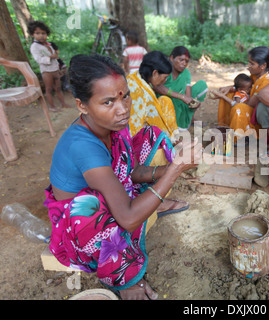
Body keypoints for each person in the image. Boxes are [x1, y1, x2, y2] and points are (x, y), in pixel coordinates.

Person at [44, 54, 202, 300]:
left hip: (114, 193)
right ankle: (124, 279)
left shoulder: (114, 124)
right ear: (82, 106)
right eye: (107, 102)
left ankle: (154, 204)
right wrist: (175, 170)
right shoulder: (83, 145)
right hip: (81, 226)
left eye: (125, 96)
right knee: (90, 207)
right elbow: (127, 219)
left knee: (151, 136)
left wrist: (173, 169)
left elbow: (132, 171)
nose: (123, 109)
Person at [215, 46, 269, 140]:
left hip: (260, 117)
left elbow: (250, 104)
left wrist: (234, 100)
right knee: (230, 94)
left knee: (239, 107)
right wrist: (230, 88)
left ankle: (240, 136)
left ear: (263, 66)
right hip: (253, 108)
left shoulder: (268, 80)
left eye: (251, 63)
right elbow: (246, 86)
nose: (248, 65)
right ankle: (226, 126)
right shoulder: (256, 75)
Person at [127, 51, 179, 140]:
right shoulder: (145, 95)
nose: (165, 80)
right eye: (164, 77)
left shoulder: (134, 76)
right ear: (155, 73)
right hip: (135, 141)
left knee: (165, 100)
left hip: (127, 129)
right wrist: (172, 141)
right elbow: (157, 124)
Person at [154, 46, 208, 130]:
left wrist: (193, 103)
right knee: (170, 99)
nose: (184, 63)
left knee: (202, 85)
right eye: (181, 60)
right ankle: (173, 124)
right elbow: (157, 87)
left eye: (186, 61)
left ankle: (190, 118)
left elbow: (188, 94)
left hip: (179, 99)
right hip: (164, 101)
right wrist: (181, 97)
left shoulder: (186, 73)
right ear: (172, 58)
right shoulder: (164, 69)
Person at [28, 20, 71, 111]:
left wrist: (59, 65)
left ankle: (63, 103)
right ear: (32, 34)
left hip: (55, 69)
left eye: (43, 33)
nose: (41, 35)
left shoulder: (48, 44)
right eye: (37, 33)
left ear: (47, 34)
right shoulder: (34, 47)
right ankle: (52, 106)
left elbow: (55, 57)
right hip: (46, 71)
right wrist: (51, 57)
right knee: (49, 89)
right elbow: (38, 59)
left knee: (58, 88)